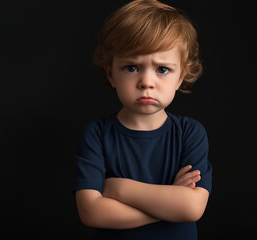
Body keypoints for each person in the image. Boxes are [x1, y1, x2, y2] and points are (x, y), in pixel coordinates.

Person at [72, 0, 212, 239]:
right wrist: (169, 202)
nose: (147, 82)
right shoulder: (97, 134)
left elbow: (192, 207)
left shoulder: (190, 133)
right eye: (132, 68)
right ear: (111, 73)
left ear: (180, 78)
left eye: (162, 70)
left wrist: (118, 188)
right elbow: (91, 212)